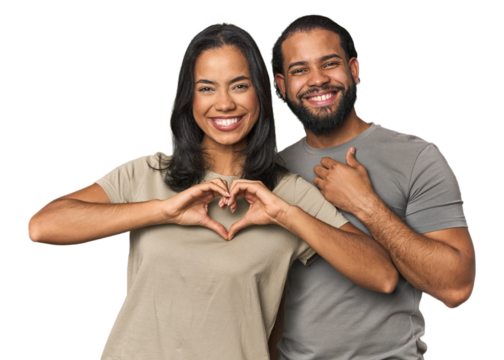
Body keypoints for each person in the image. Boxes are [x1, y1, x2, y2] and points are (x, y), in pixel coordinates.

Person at [26, 22, 399, 359]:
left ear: (260, 95)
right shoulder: (149, 172)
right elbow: (42, 226)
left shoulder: (287, 193)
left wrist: (284, 214)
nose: (224, 103)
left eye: (239, 85)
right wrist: (162, 210)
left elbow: (382, 275)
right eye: (207, 88)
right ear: (190, 99)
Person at [268, 14, 478, 359]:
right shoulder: (270, 171)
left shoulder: (417, 157)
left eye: (329, 64)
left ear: (354, 70)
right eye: (300, 70)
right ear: (282, 86)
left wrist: (366, 205)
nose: (317, 80)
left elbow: (456, 288)